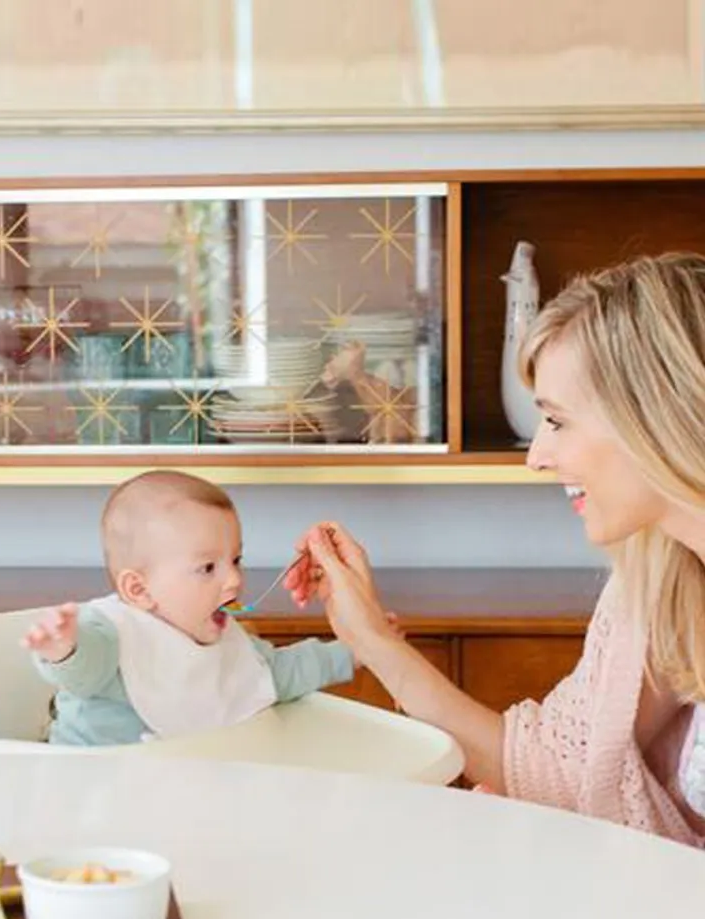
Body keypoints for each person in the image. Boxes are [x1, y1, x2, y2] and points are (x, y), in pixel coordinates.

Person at [286, 252, 705, 848]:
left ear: (655, 417)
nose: (537, 457)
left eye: (557, 421)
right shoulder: (663, 582)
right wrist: (370, 638)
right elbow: (557, 771)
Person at [23, 469, 354, 746]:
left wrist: (356, 648)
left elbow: (275, 674)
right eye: (208, 568)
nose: (234, 580)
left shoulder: (221, 635)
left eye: (236, 560)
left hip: (175, 783)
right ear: (139, 589)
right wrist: (65, 651)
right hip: (87, 783)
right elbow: (85, 672)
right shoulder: (112, 630)